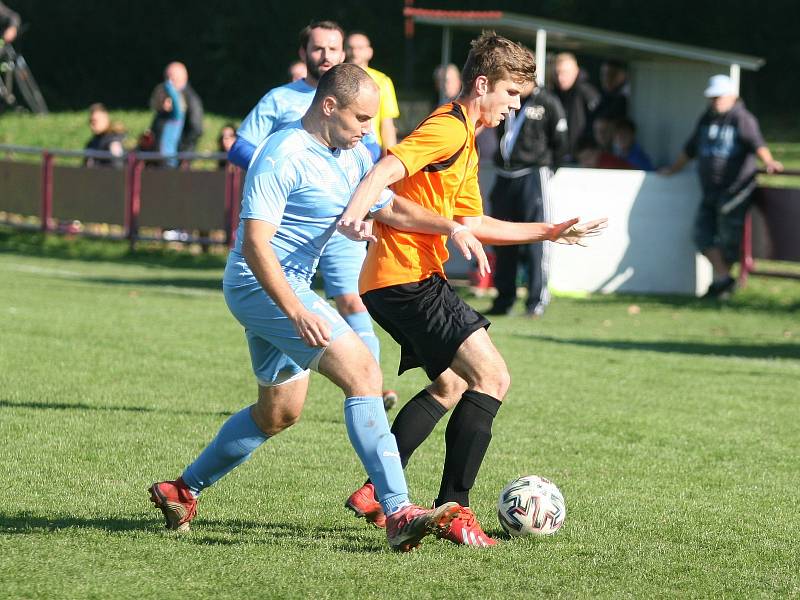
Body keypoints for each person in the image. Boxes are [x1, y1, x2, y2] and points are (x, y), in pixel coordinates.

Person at [148, 64, 487, 551]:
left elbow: (387, 205)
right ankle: (397, 511)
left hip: (285, 288)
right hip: (262, 285)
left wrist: (450, 227)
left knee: (278, 414)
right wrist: (295, 309)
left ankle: (182, 490)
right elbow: (255, 246)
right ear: (329, 107)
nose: (368, 130)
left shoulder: (345, 152)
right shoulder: (283, 153)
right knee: (364, 374)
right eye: (361, 119)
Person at [337, 32, 606, 546]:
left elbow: (471, 218)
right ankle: (453, 508)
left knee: (452, 385)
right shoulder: (447, 129)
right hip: (406, 277)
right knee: (492, 377)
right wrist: (355, 214)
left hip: (399, 279)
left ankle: (376, 490)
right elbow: (384, 171)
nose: (514, 106)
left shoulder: (469, 139)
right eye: (510, 94)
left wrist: (547, 232)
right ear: (482, 84)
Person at [228, 20, 392, 408]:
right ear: (304, 54)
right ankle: (358, 386)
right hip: (288, 226)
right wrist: (293, 176)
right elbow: (240, 148)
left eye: (334, 49)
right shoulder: (280, 99)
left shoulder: (355, 98)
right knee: (280, 411)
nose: (327, 56)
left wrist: (361, 196)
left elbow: (368, 153)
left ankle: (374, 390)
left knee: (352, 300)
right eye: (318, 49)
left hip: (341, 221)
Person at [660, 74, 783, 299]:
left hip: (735, 191)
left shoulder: (742, 118)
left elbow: (757, 144)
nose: (715, 101)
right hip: (710, 191)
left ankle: (723, 285)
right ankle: (725, 279)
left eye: (719, 97)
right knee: (701, 235)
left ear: (732, 96)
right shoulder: (706, 119)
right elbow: (690, 150)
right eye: (712, 97)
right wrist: (672, 170)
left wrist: (769, 162)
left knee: (729, 241)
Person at [486, 83, 569, 318]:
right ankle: (504, 299)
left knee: (537, 237)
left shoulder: (547, 101)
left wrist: (546, 167)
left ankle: (536, 301)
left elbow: (561, 141)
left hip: (533, 174)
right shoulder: (504, 98)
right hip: (504, 176)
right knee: (501, 238)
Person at [345, 31, 399, 160]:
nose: (354, 52)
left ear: (370, 52)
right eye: (350, 48)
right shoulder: (336, 79)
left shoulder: (382, 81)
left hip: (372, 150)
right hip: (343, 147)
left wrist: (388, 159)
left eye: (359, 48)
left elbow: (387, 123)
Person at [552, 52, 600, 161]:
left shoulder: (587, 92)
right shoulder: (553, 94)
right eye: (557, 73)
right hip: (561, 157)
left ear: (576, 71)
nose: (560, 78)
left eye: (565, 73)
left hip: (584, 158)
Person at [84, 103, 125, 168]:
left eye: (95, 121)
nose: (92, 125)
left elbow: (118, 167)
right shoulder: (92, 143)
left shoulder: (114, 141)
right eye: (90, 121)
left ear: (105, 118)